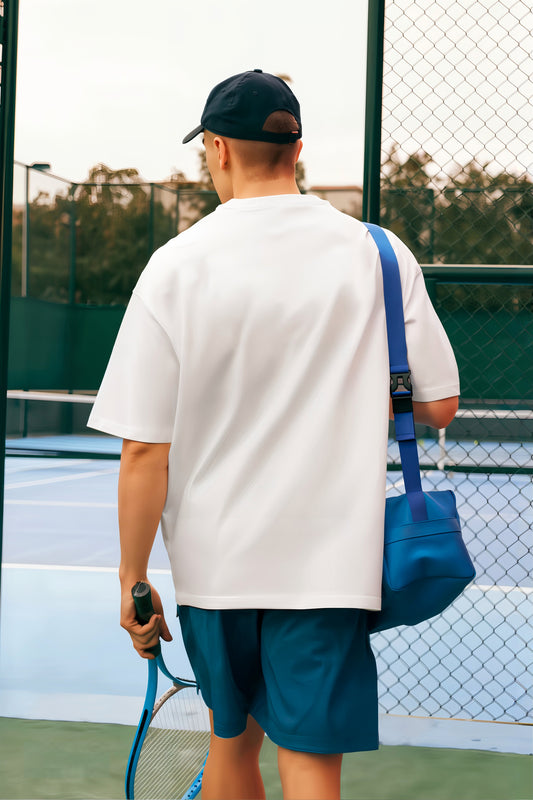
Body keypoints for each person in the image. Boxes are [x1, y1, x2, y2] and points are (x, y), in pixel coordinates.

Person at [88, 69, 460, 800]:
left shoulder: (175, 267)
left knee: (230, 749)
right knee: (311, 764)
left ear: (219, 149)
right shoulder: (377, 254)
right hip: (329, 562)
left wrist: (133, 580)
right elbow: (438, 404)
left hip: (214, 565)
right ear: (295, 149)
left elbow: (142, 450)